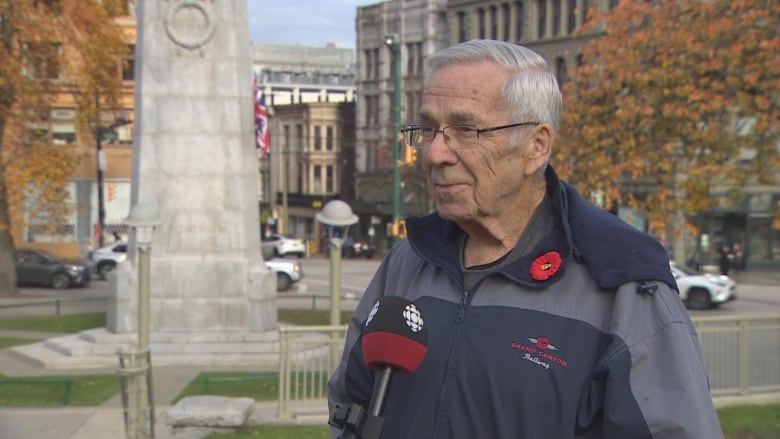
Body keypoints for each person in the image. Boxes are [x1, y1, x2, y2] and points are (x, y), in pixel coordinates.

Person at [327, 40, 722, 438]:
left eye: (466, 130)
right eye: (428, 130)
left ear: (536, 146)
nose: (435, 154)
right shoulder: (408, 262)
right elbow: (352, 406)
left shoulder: (623, 285)